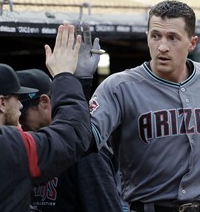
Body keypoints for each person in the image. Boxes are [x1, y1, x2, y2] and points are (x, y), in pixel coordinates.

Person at [88, 0, 200, 212]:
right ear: (147, 37)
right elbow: (84, 142)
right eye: (155, 36)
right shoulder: (120, 87)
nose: (162, 46)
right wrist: (77, 81)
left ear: (192, 43)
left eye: (173, 38)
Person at [0, 23, 92, 212]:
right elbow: (73, 134)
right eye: (17, 98)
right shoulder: (12, 147)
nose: (22, 104)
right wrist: (65, 76)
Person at [17, 68, 122, 212]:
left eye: (22, 115)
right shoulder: (25, 147)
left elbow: (104, 206)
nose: (17, 122)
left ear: (44, 102)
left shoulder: (84, 149)